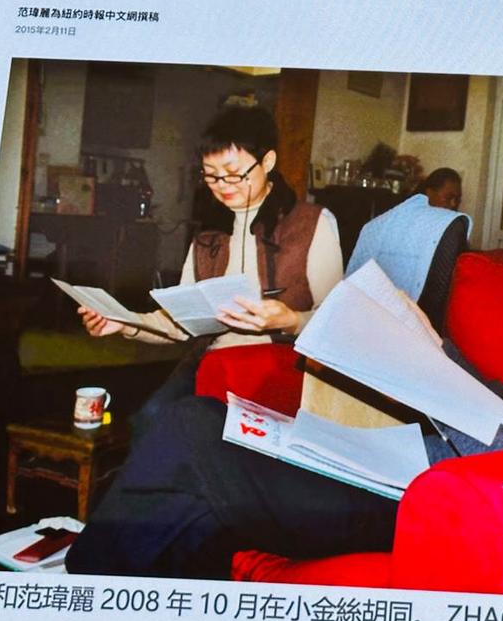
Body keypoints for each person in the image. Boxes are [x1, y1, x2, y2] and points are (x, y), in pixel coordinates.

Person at [65, 173, 503, 578]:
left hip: (447, 503)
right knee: (197, 421)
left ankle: (73, 597)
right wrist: (428, 350)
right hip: (423, 458)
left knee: (192, 446)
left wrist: (429, 380)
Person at [77, 105, 343, 431]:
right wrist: (125, 324)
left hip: (283, 369)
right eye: (211, 175)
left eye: (233, 173)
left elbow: (337, 323)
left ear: (268, 162)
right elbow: (180, 325)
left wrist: (291, 320)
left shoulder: (311, 224)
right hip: (214, 365)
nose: (222, 185)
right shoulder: (209, 236)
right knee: (151, 419)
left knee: (198, 428)